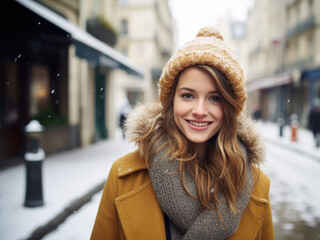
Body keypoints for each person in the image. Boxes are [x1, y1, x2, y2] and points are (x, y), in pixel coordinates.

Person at [91, 27, 274, 240]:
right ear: (171, 101)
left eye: (215, 98)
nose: (199, 110)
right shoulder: (124, 177)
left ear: (231, 108)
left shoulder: (256, 187)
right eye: (188, 95)